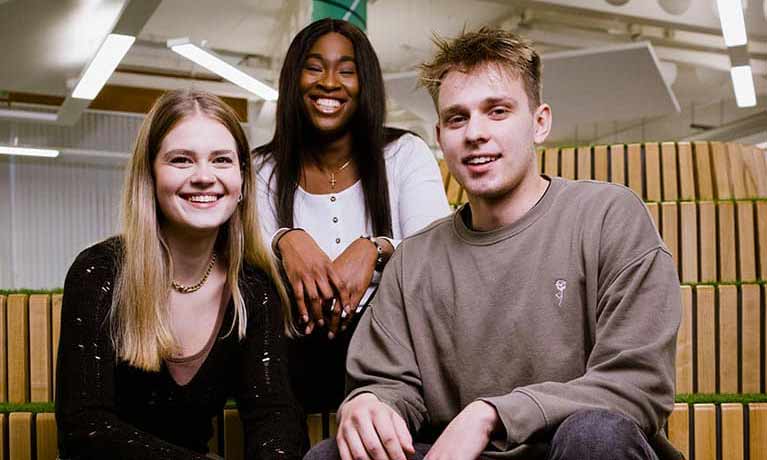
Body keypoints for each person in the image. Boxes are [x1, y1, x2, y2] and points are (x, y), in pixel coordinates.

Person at [307, 28, 683, 460]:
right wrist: (370, 404)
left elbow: (638, 384)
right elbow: (387, 383)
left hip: (574, 448)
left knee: (595, 435)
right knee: (331, 455)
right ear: (440, 136)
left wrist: (490, 414)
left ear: (540, 122)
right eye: (457, 118)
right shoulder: (413, 260)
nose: (475, 133)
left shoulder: (608, 217)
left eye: (497, 111)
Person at [55, 89, 306, 459]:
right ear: (150, 177)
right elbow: (85, 429)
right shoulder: (98, 273)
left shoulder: (254, 288)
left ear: (241, 182)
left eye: (221, 160)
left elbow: (275, 414)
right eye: (181, 160)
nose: (204, 177)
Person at [254, 18, 450, 413]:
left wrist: (377, 249)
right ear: (294, 79)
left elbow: (437, 246)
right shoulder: (261, 168)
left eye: (347, 70)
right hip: (289, 353)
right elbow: (239, 247)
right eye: (314, 67)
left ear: (367, 86)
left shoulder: (404, 153)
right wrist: (285, 240)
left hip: (388, 350)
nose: (329, 82)